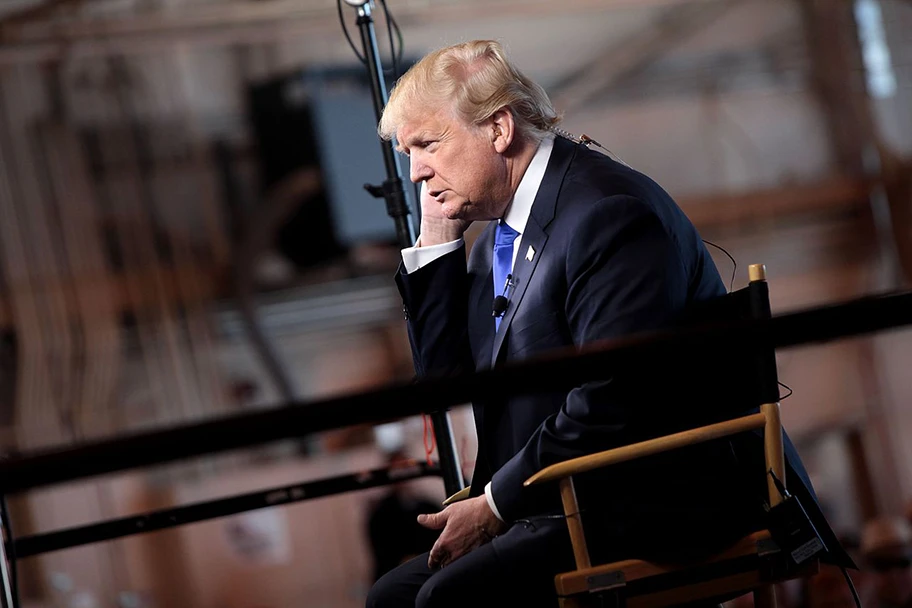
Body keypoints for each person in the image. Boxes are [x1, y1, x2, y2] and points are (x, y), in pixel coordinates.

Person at [367, 39, 852, 608]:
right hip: (567, 495)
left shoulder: (605, 212)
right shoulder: (496, 236)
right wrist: (434, 242)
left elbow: (617, 397)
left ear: (498, 130)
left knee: (444, 601)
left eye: (427, 144)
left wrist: (496, 504)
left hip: (656, 497)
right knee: (390, 599)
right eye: (408, 154)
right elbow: (447, 381)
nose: (417, 171)